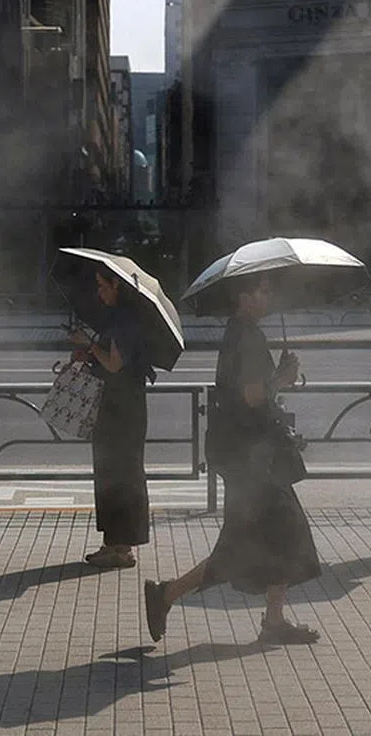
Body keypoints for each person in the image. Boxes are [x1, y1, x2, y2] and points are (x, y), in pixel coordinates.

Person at [144, 274, 320, 646]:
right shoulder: (250, 337)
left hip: (245, 454)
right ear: (244, 296)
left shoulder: (236, 331)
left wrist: (276, 376)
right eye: (264, 290)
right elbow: (253, 395)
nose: (269, 297)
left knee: (279, 535)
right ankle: (166, 594)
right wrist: (282, 379)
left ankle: (273, 619)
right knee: (252, 542)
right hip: (252, 459)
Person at [67, 271, 153, 569]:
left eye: (104, 286)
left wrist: (89, 344)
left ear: (118, 287)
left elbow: (115, 364)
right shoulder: (120, 317)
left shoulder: (125, 321)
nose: (100, 293)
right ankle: (114, 543)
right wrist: (89, 355)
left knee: (121, 474)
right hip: (117, 408)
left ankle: (122, 547)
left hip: (122, 411)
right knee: (112, 474)